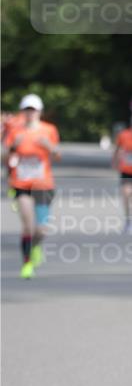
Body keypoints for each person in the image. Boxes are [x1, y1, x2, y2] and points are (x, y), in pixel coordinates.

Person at [3, 94, 60, 279]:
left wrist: (49, 147)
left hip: (43, 185)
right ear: (23, 111)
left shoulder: (49, 130)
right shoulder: (16, 132)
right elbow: (4, 158)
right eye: (27, 110)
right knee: (27, 226)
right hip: (22, 184)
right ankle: (27, 263)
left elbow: (58, 156)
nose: (30, 113)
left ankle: (36, 246)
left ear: (39, 112)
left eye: (33, 110)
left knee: (41, 229)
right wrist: (12, 148)